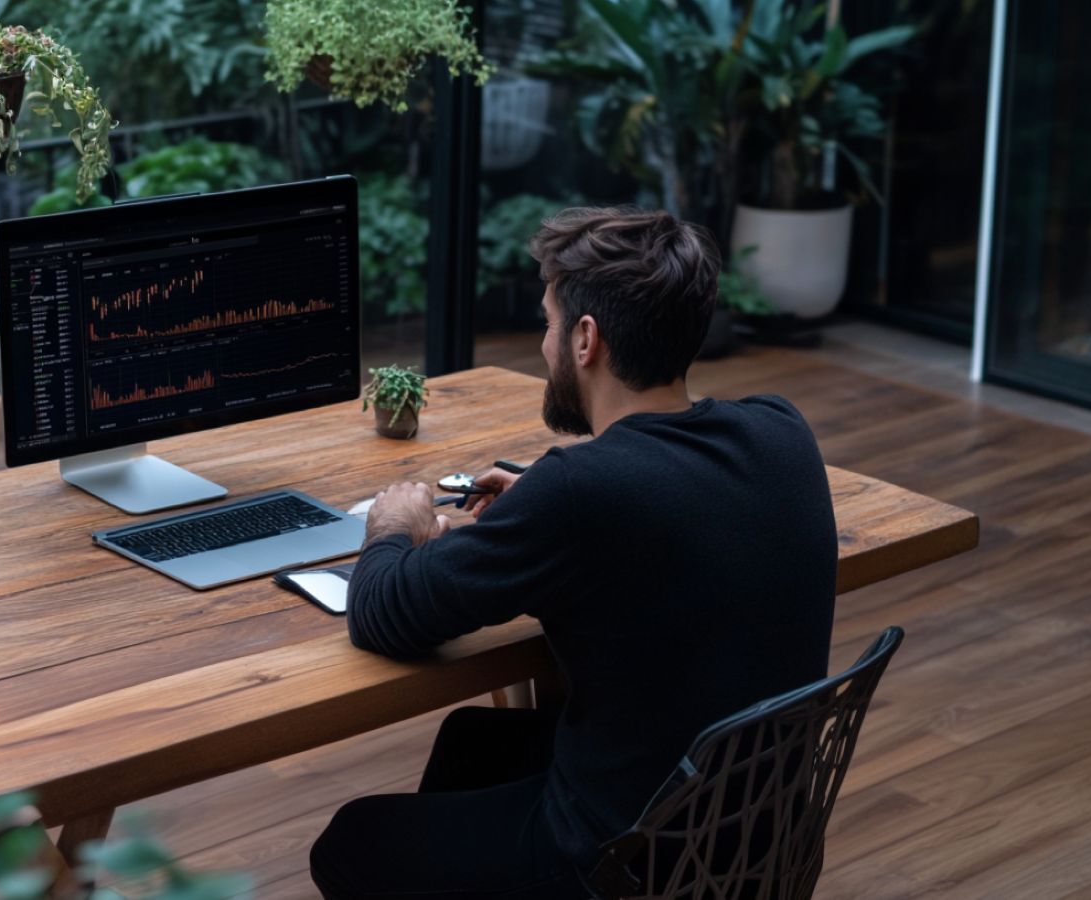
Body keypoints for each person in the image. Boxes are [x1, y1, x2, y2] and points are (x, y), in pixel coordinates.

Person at [309, 207, 838, 899]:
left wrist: (392, 525)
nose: (545, 344)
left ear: (586, 339)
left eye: (549, 322)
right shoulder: (781, 432)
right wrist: (545, 500)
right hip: (751, 831)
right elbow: (672, 502)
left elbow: (384, 614)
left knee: (352, 841)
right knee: (474, 741)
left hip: (625, 864)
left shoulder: (582, 492)